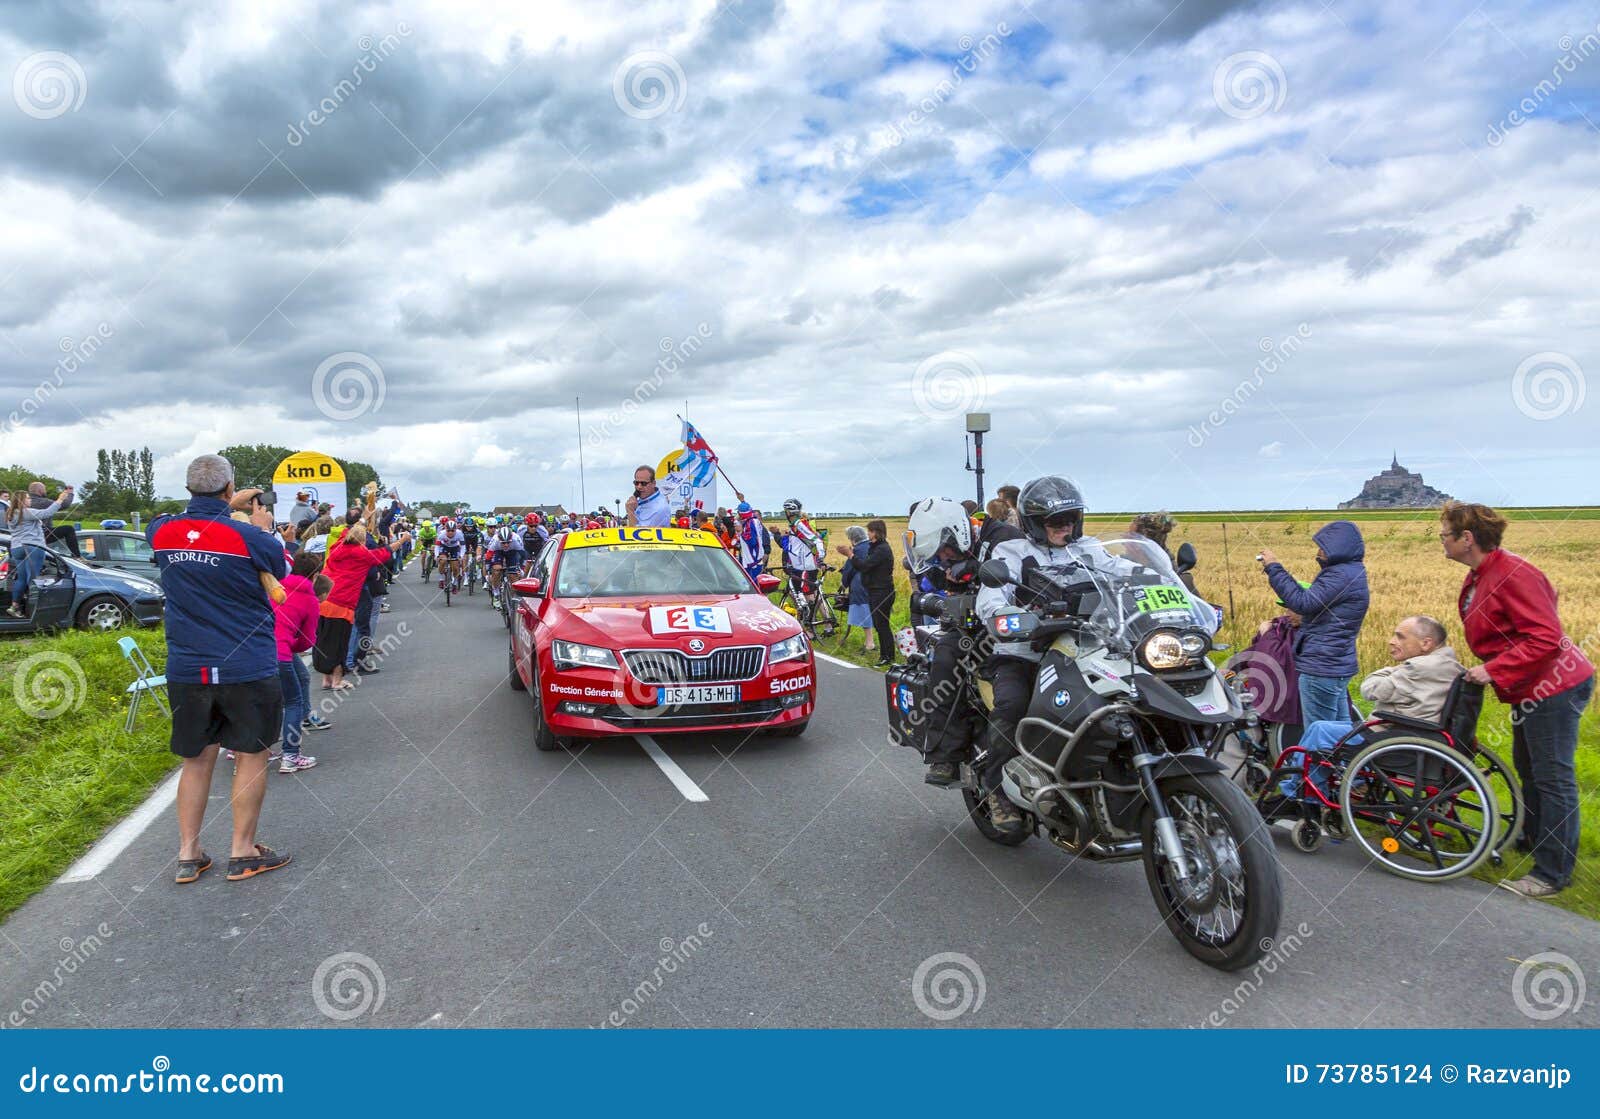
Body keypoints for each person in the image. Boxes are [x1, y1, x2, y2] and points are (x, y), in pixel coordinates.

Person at [149, 454, 291, 884]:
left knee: (195, 759)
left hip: (188, 666)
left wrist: (225, 505)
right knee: (251, 754)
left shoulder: (160, 531)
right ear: (230, 491)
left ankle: (189, 854)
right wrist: (259, 526)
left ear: (189, 488)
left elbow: (192, 527)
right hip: (245, 664)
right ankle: (243, 850)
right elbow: (280, 570)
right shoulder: (253, 537)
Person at [1442, 501, 1595, 899]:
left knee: (1553, 777)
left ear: (1467, 539)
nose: (1441, 540)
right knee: (1529, 770)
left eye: (1445, 533)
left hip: (1554, 687)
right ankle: (1532, 840)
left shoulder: (1512, 573)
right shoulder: (1482, 573)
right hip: (1530, 686)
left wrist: (1493, 669)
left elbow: (1545, 635)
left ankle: (1551, 874)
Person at [976, 475, 1088, 832]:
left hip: (1083, 648)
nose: (1064, 526)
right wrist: (1007, 617)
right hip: (1026, 652)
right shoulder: (1011, 552)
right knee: (1013, 704)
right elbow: (990, 599)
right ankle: (998, 791)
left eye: (1070, 518)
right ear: (1035, 523)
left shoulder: (1090, 550)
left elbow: (1128, 571)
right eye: (1055, 521)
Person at [1280, 615, 1461, 796]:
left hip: (1393, 739)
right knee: (1319, 727)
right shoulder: (1452, 667)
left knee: (1320, 732)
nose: (1392, 642)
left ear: (1426, 644)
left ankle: (1300, 795)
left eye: (1400, 637)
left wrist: (1393, 670)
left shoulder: (1417, 668)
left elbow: (1370, 690)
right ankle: (1306, 788)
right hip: (1419, 735)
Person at [903, 498, 986, 787]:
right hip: (975, 626)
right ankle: (945, 757)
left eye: (943, 552)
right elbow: (954, 596)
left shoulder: (1002, 539)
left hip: (1021, 623)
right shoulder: (951, 557)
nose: (942, 558)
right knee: (945, 661)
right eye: (937, 555)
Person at [1258, 521, 1369, 725]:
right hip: (1336, 663)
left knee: (1319, 730)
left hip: (1321, 666)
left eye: (1322, 547)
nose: (1318, 552)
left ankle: (1318, 758)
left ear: (1337, 548)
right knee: (1339, 727)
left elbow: (1303, 603)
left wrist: (1274, 568)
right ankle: (1348, 757)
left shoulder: (1339, 575)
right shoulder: (1352, 571)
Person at [275, 551, 323, 774]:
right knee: (292, 701)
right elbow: (307, 641)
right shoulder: (310, 599)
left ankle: (243, 755)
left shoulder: (275, 587)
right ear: (315, 576)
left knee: (259, 700)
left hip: (255, 652)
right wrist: (287, 646)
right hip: (281, 653)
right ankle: (291, 755)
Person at [4, 481, 73, 618]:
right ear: (22, 501)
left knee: (21, 579)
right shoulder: (26, 512)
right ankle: (33, 611)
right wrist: (60, 499)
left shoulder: (10, 514)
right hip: (32, 546)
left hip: (17, 548)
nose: (30, 500)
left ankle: (15, 606)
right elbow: (48, 512)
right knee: (34, 579)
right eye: (28, 498)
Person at [859, 519, 897, 668]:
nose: (868, 533)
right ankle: (886, 654)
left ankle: (887, 656)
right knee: (880, 624)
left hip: (882, 591)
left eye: (869, 531)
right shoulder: (875, 547)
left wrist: (850, 556)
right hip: (877, 590)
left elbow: (865, 565)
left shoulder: (881, 549)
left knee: (882, 624)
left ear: (875, 532)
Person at [834, 525, 874, 654]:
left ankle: (869, 643)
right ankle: (871, 642)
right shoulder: (871, 546)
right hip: (873, 584)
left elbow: (849, 570)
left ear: (852, 539)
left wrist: (843, 584)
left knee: (864, 613)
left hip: (860, 586)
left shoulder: (857, 550)